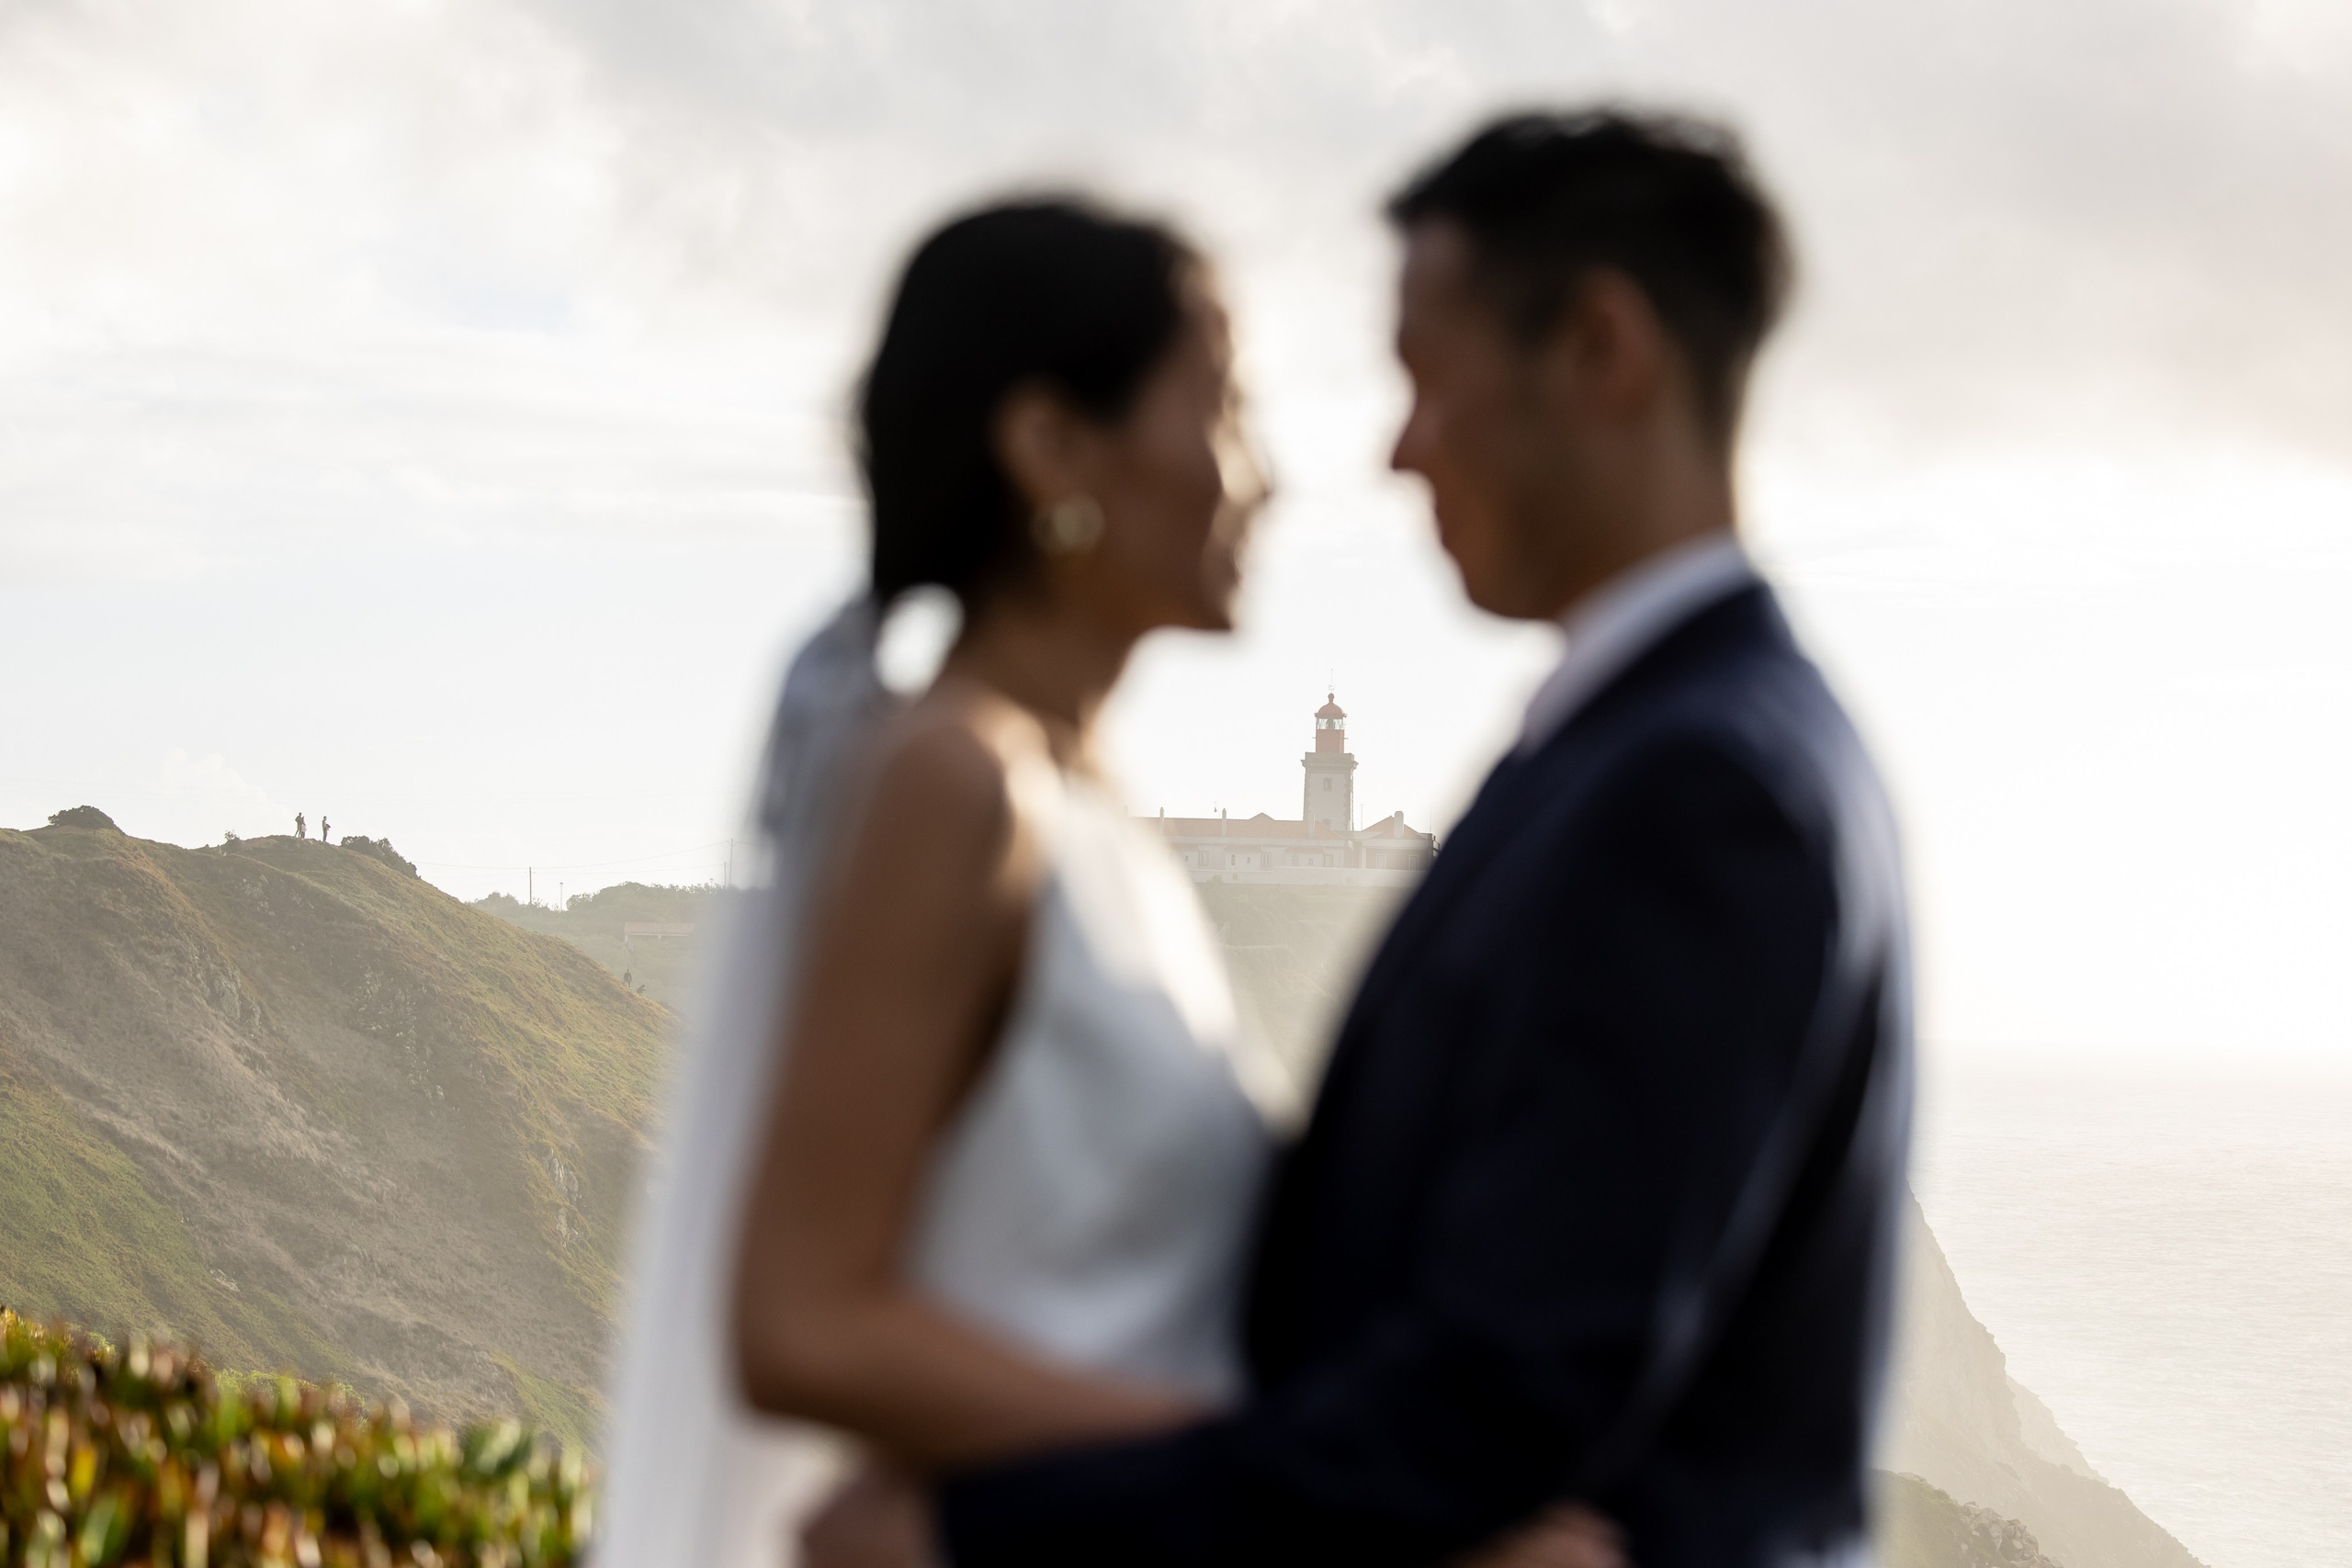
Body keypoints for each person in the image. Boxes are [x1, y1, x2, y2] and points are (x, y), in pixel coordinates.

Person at [808, 110, 1915, 1568]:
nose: (1399, 451)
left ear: (1602, 352)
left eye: (1427, 380)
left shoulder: (1705, 787)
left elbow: (1502, 1396)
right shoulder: (1652, 750)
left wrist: (967, 1534)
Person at [597, 198, 1623, 1568]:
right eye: (1226, 411)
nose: (1265, 478)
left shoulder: (1102, 816)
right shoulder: (956, 783)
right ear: (1052, 448)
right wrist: (1313, 1487)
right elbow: (802, 1325)